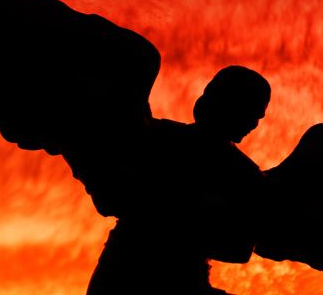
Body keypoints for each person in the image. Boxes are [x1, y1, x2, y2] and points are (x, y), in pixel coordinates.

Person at [86, 66, 270, 295]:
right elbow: (112, 197)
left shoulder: (246, 174)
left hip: (178, 277)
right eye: (251, 112)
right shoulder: (157, 136)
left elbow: (239, 249)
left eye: (258, 117)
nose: (254, 124)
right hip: (125, 272)